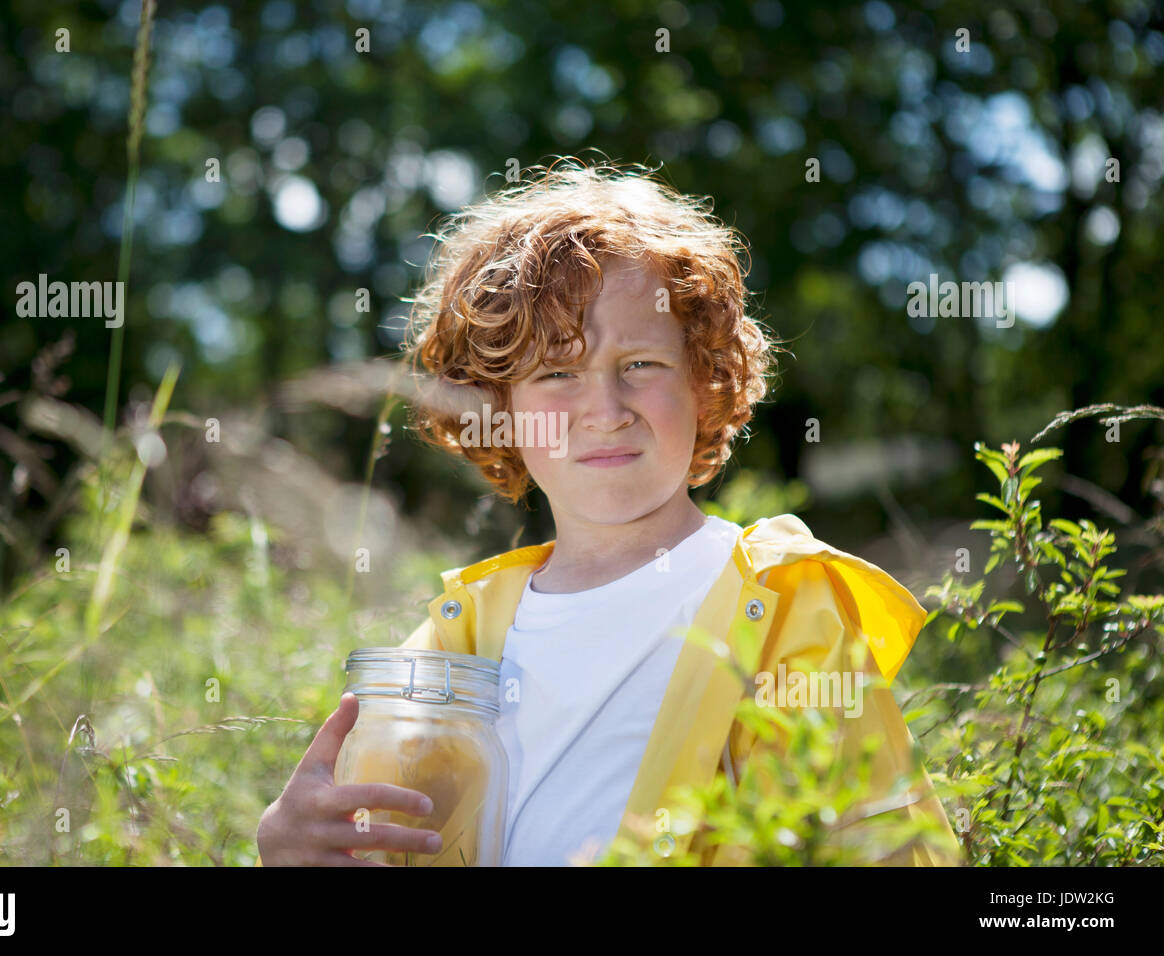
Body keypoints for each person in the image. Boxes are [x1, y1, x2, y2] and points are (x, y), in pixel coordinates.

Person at [257, 158, 961, 867]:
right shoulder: (459, 633)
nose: (604, 411)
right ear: (499, 410)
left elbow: (886, 845)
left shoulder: (787, 604)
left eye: (641, 365)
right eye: (557, 373)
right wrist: (292, 849)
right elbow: (380, 842)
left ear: (705, 381)